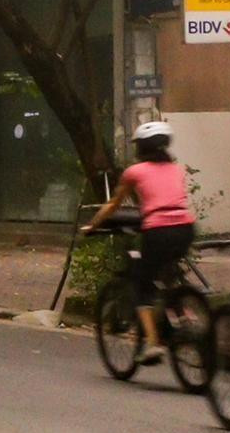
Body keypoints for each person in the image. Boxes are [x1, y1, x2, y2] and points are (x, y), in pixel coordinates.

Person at [81, 120, 196, 367]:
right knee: (169, 274)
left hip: (158, 230)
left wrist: (93, 226)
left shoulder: (135, 172)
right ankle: (186, 317)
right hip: (185, 227)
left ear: (141, 148)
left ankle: (153, 343)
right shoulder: (177, 169)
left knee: (143, 284)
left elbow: (113, 205)